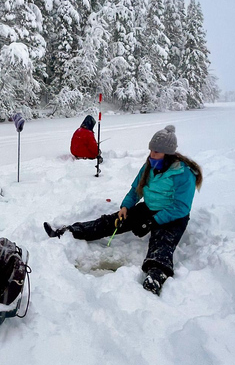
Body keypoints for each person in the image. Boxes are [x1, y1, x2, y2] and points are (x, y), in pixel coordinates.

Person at [44, 125, 202, 295]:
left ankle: (156, 276)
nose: (152, 155)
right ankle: (71, 231)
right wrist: (125, 207)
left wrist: (152, 222)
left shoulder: (183, 173)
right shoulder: (149, 165)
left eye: (157, 152)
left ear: (168, 153)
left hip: (174, 216)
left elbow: (181, 207)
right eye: (151, 151)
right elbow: (136, 190)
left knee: (162, 241)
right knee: (112, 221)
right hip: (149, 208)